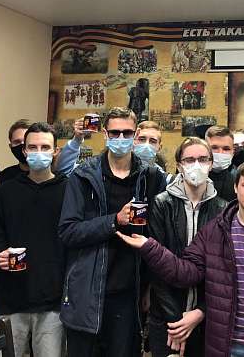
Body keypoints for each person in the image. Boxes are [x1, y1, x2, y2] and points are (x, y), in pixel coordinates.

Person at [118, 158, 244, 357]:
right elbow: (186, 272)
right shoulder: (215, 230)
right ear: (236, 187)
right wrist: (150, 247)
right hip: (228, 344)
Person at [58, 107, 166, 357]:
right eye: (115, 133)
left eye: (127, 133)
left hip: (130, 292)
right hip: (87, 289)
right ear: (105, 134)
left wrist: (150, 286)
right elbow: (68, 231)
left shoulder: (151, 177)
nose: (120, 138)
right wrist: (114, 221)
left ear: (135, 134)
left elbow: (158, 236)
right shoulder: (83, 175)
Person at [0, 122, 68, 356]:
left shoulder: (68, 190)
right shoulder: (6, 190)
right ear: (24, 151)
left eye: (45, 147)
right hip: (10, 297)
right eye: (32, 147)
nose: (38, 152)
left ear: (55, 151)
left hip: (52, 301)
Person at [147, 137, 228, 357]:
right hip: (166, 318)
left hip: (207, 321)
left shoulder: (223, 210)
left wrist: (200, 312)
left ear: (211, 163)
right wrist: (177, 322)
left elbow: (222, 272)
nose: (196, 165)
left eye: (203, 159)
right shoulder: (161, 204)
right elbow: (156, 267)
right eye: (189, 160)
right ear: (179, 165)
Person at [205, 126, 238, 202]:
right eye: (214, 148)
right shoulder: (193, 180)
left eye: (226, 149)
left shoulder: (238, 183)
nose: (220, 153)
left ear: (233, 152)